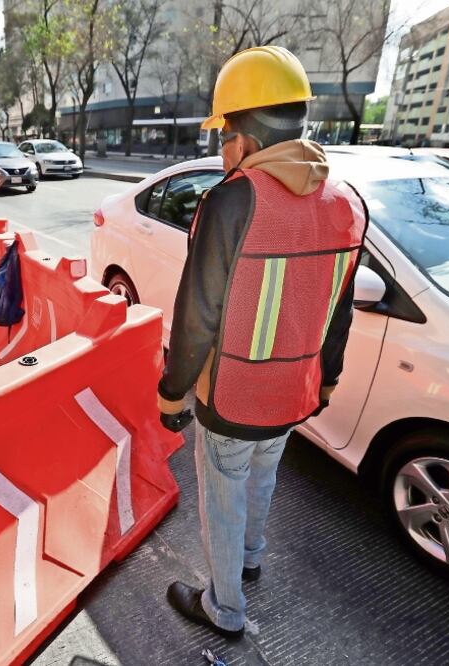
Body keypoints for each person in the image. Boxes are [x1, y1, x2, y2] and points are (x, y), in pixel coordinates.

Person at [158, 45, 368, 639]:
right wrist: (326, 379)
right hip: (293, 393)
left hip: (233, 397)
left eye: (223, 135)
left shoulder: (230, 201)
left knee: (222, 494)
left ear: (244, 136)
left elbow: (196, 315)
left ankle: (224, 608)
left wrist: (172, 394)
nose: (222, 151)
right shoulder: (347, 205)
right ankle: (251, 557)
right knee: (264, 475)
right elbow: (339, 309)